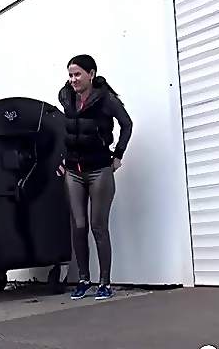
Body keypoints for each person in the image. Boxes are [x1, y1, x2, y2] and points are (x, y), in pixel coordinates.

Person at [57, 54, 133, 300]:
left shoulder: (105, 100)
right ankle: (83, 279)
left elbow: (127, 124)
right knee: (78, 226)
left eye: (78, 74)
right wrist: (62, 159)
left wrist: (118, 155)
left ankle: (105, 282)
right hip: (73, 172)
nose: (73, 79)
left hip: (99, 169)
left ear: (91, 74)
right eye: (70, 75)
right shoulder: (66, 97)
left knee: (98, 226)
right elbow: (66, 130)